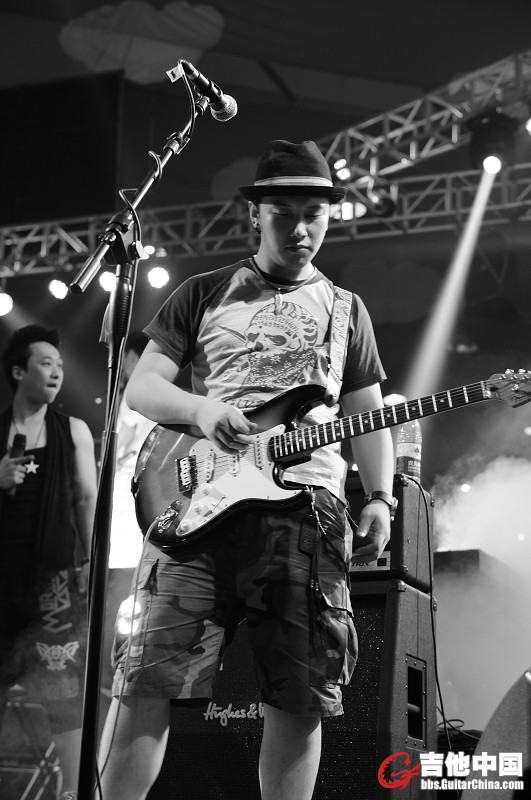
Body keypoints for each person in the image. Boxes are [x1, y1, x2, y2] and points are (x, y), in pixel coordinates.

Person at [98, 139, 396, 800]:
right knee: (143, 680)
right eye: (284, 214)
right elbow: (142, 387)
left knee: (300, 694)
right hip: (194, 509)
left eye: (313, 215)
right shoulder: (202, 292)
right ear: (255, 214)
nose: (300, 229)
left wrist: (380, 496)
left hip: (305, 515)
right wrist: (202, 411)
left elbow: (367, 413)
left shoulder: (346, 309)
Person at [0, 324, 98, 800]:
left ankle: (72, 794)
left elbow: (86, 498)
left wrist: (92, 559)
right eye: (45, 363)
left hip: (53, 586)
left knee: (64, 696)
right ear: (19, 372)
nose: (57, 372)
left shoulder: (73, 430)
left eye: (60, 365)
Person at [109, 330, 154, 569]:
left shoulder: (135, 388)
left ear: (133, 356)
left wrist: (111, 463)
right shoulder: (157, 386)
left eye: (123, 357)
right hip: (146, 479)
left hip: (127, 480)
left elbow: (123, 435)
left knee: (124, 553)